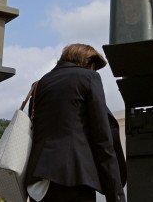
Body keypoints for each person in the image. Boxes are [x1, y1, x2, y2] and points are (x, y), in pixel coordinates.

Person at [25, 43, 127, 202]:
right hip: (74, 176)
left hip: (39, 182)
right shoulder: (89, 77)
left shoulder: (40, 84)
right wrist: (116, 194)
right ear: (89, 63)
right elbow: (102, 139)